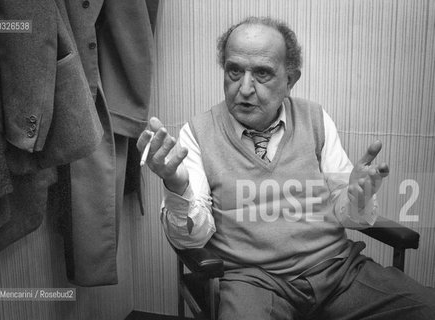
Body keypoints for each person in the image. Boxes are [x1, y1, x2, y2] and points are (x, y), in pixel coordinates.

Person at [137, 16, 435, 319]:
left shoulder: (315, 119)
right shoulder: (197, 133)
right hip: (253, 281)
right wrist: (176, 185)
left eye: (262, 73)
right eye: (234, 71)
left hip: (337, 271)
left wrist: (357, 197)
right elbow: (192, 238)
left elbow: (347, 211)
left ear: (290, 80)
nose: (245, 88)